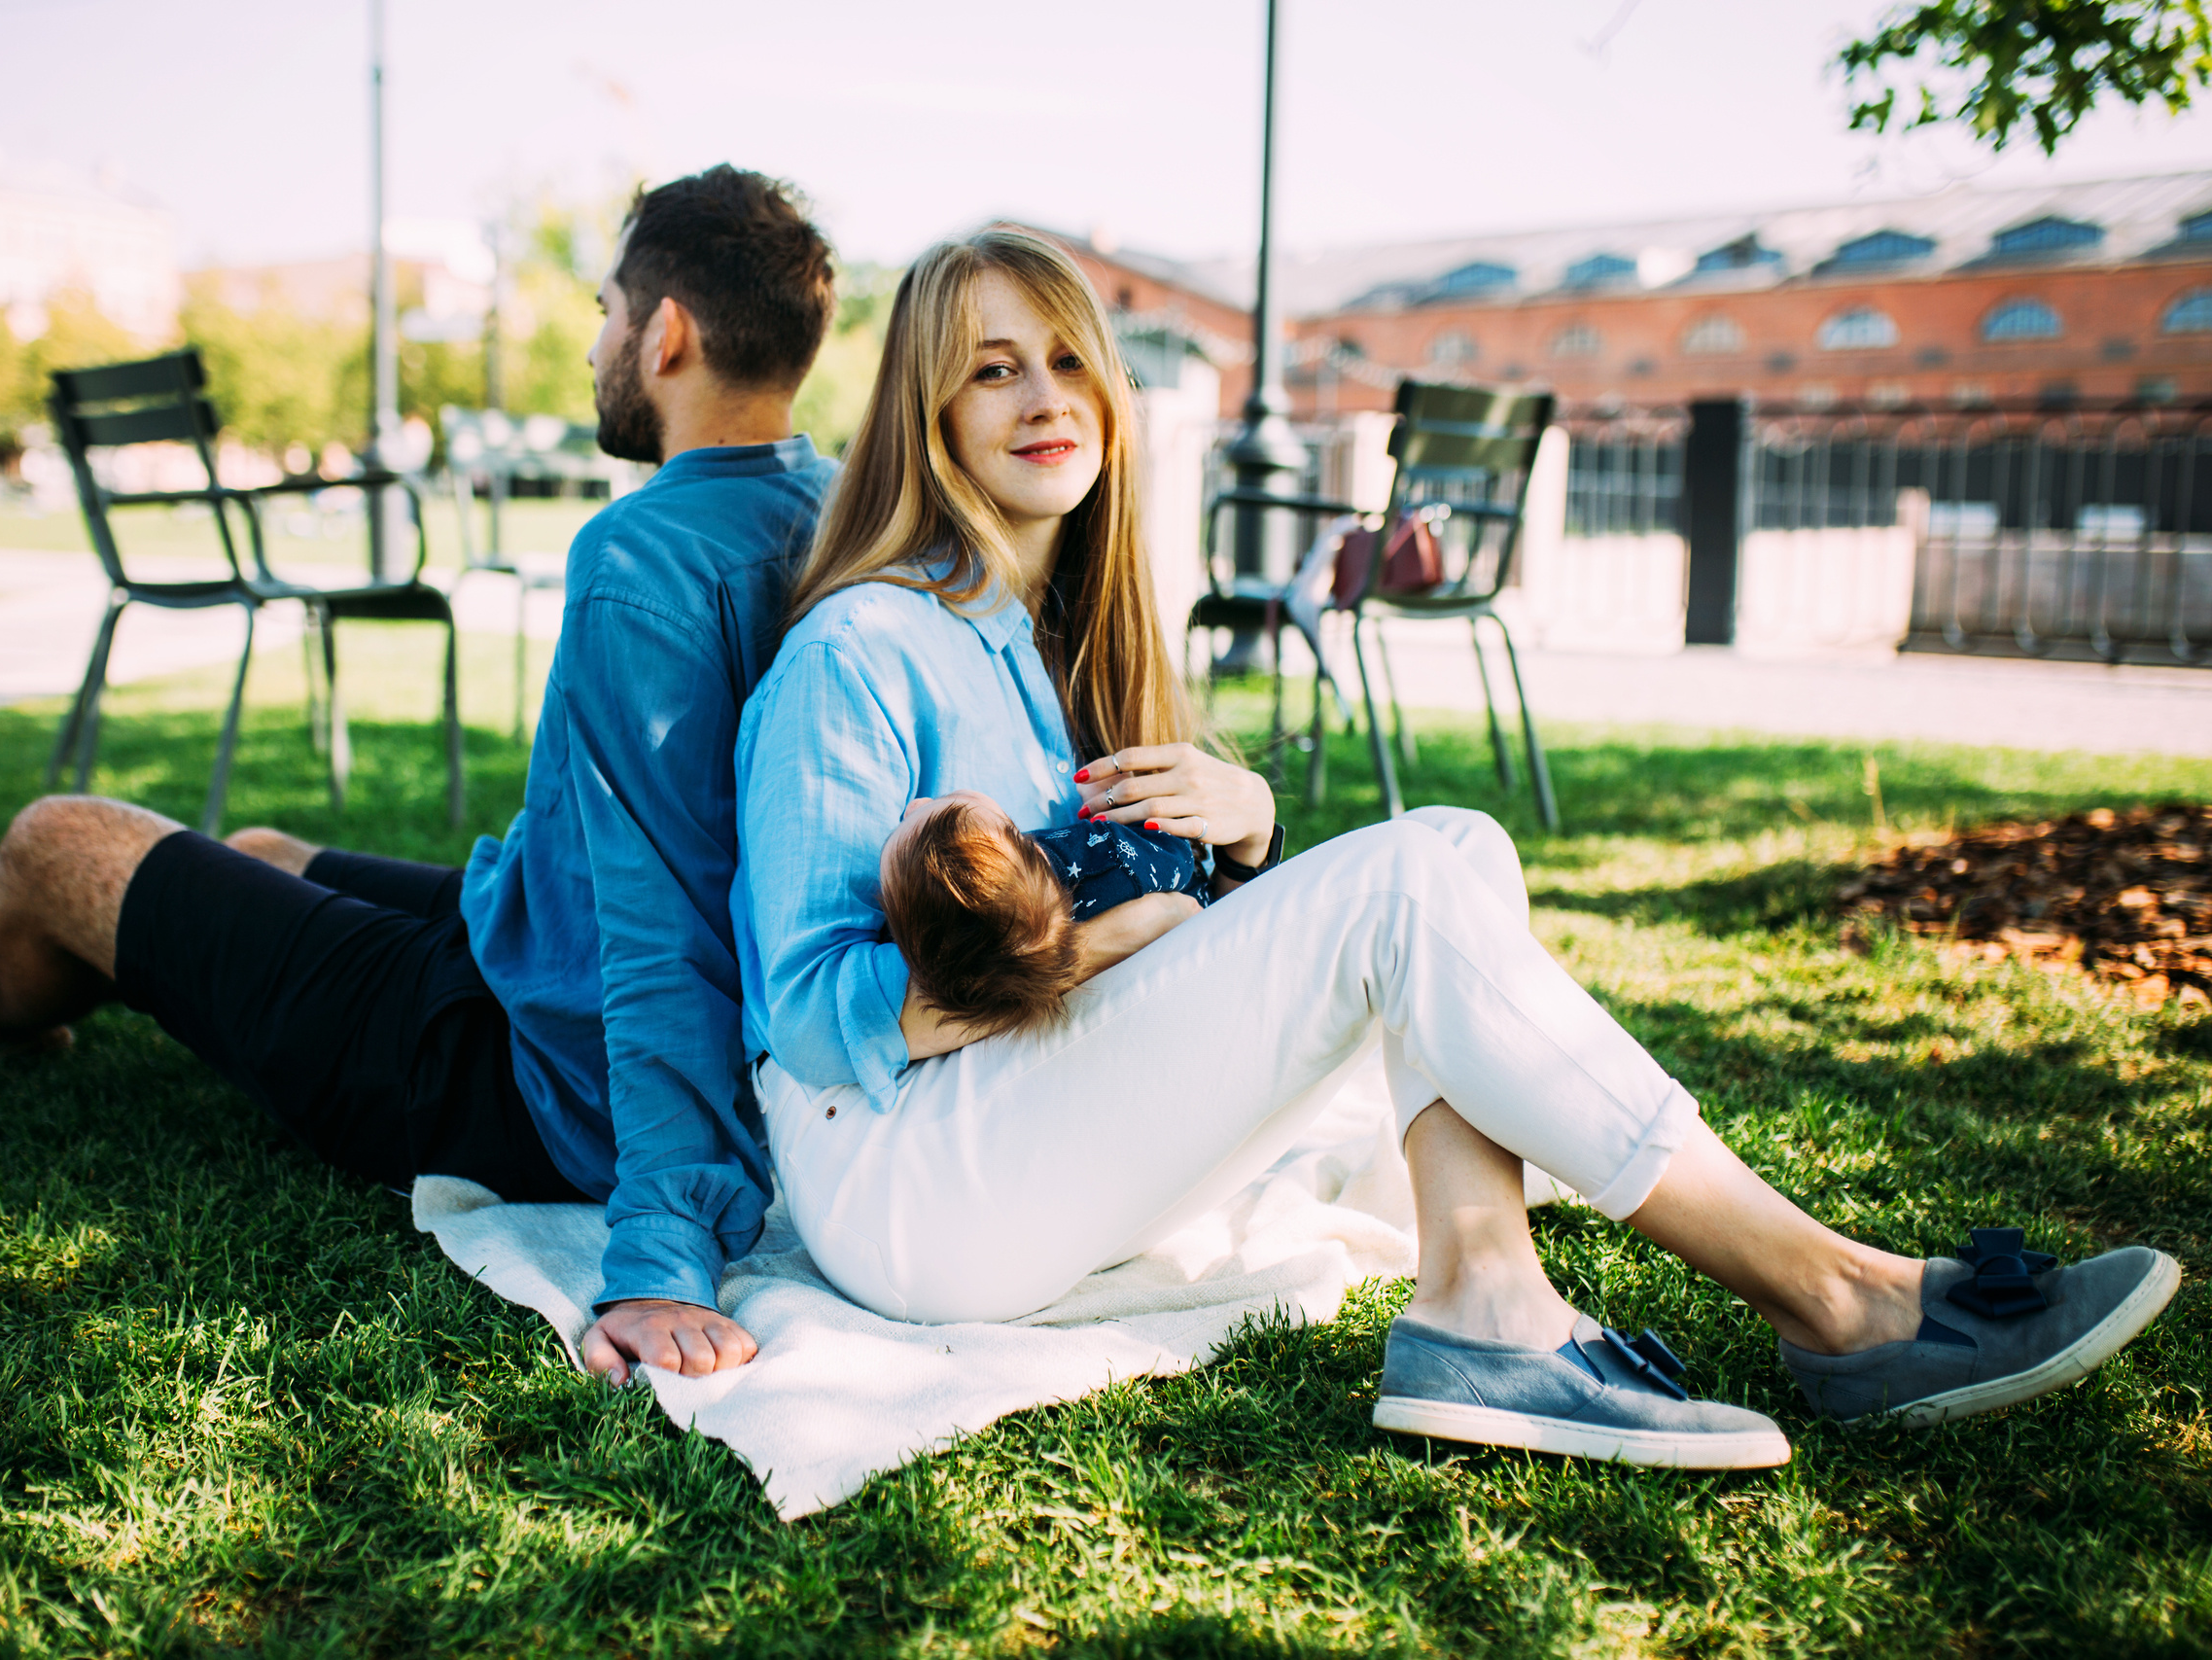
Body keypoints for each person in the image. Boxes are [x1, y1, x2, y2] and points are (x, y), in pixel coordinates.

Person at [728, 227, 2179, 1467]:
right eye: (992, 367)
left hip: (1016, 1141)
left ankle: (1489, 1298)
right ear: (926, 409)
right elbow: (805, 1012)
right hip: (906, 1188)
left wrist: (1245, 837)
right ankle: (1843, 1295)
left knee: (1461, 849)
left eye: (1064, 358)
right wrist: (1116, 937)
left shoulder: (1056, 650)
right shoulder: (858, 649)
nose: (1044, 396)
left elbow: (1111, 926)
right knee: (1418, 876)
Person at [0, 164, 838, 1390]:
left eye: (605, 312)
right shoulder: (834, 508)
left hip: (529, 1074)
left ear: (665, 331)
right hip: (529, 941)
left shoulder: (644, 557)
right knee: (254, 850)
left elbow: (660, 920)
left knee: (60, 841)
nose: (599, 345)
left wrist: (665, 1246)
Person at [878, 789, 1207, 1040]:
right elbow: (1177, 857)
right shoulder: (1104, 856)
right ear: (1032, 846)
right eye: (946, 799)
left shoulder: (942, 948)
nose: (915, 803)